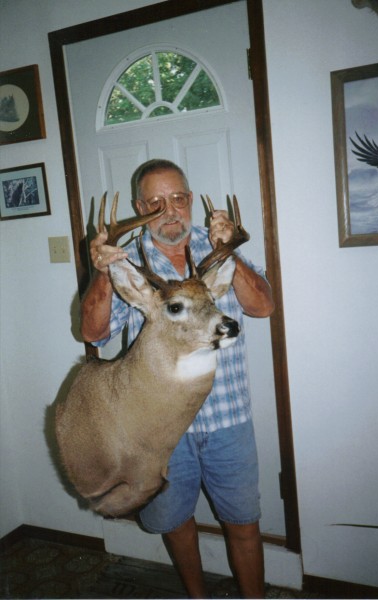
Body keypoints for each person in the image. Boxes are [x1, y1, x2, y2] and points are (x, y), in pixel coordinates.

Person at [81, 159, 275, 599]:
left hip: (227, 418)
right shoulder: (125, 260)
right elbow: (92, 332)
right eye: (155, 202)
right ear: (139, 206)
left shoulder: (220, 245)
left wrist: (232, 252)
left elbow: (262, 307)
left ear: (190, 200)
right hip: (160, 429)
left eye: (178, 198)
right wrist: (102, 273)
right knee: (176, 522)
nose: (170, 210)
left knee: (243, 523)